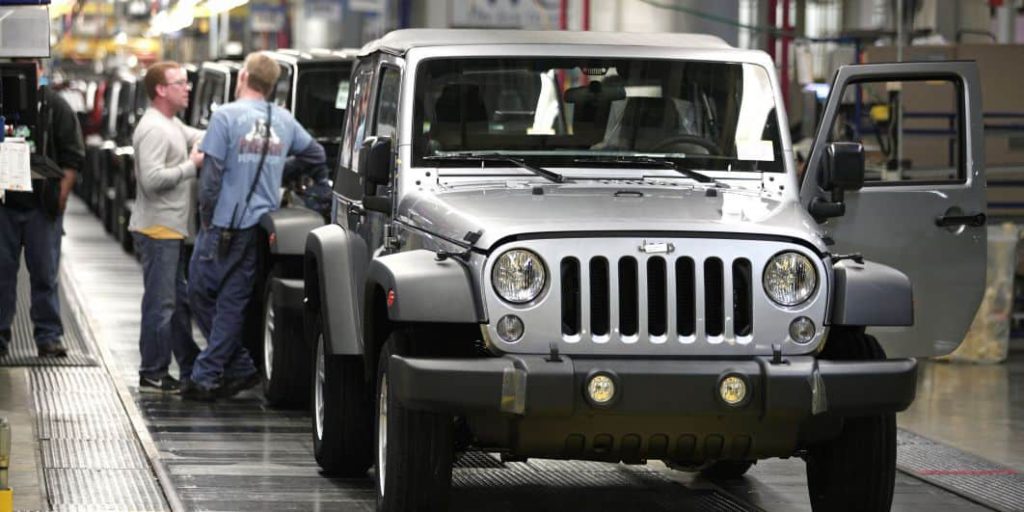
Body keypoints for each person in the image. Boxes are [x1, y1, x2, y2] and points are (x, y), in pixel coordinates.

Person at [184, 52, 325, 401]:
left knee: (198, 291)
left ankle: (219, 370)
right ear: (271, 85)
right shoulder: (284, 119)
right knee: (233, 301)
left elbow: (211, 178)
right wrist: (279, 171)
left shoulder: (225, 116)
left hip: (222, 224)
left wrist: (206, 218)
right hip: (258, 226)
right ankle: (224, 371)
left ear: (244, 76)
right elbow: (316, 155)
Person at [0, 59, 84, 359]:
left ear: (39, 69)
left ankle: (49, 336)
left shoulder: (55, 107)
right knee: (2, 274)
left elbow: (73, 157)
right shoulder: (2, 105)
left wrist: (59, 199)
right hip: (5, 206)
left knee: (45, 274)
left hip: (41, 206)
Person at [129, 61, 204, 392]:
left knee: (175, 304)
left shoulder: (171, 123)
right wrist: (191, 166)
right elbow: (151, 180)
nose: (187, 88)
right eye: (180, 83)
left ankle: (189, 364)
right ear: (161, 89)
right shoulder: (154, 129)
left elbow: (197, 135)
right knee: (161, 306)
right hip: (158, 230)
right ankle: (152, 370)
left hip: (170, 229)